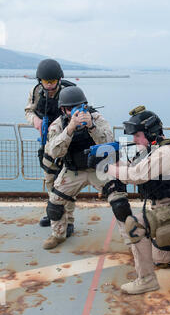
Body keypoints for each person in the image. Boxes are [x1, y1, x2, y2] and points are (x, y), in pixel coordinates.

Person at [106, 106, 170, 294]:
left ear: (150, 133)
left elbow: (135, 175)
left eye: (137, 135)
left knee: (134, 226)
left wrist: (108, 169)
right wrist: (113, 163)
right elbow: (135, 167)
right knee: (160, 258)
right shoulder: (155, 149)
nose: (134, 140)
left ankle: (146, 280)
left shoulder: (166, 152)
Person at [42, 86, 130, 250]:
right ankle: (58, 235)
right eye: (70, 109)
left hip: (99, 169)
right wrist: (70, 129)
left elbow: (108, 142)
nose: (76, 111)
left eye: (79, 106)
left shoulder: (96, 118)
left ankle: (132, 241)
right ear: (63, 110)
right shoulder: (58, 125)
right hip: (73, 170)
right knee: (54, 203)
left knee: (120, 203)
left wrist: (91, 127)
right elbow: (53, 151)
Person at [25, 58, 76, 235]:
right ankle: (54, 214)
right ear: (41, 81)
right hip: (47, 144)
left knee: (66, 184)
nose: (49, 86)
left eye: (52, 82)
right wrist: (36, 121)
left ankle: (69, 220)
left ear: (59, 80)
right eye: (46, 82)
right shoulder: (37, 91)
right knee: (50, 180)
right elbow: (28, 110)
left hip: (65, 143)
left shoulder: (69, 92)